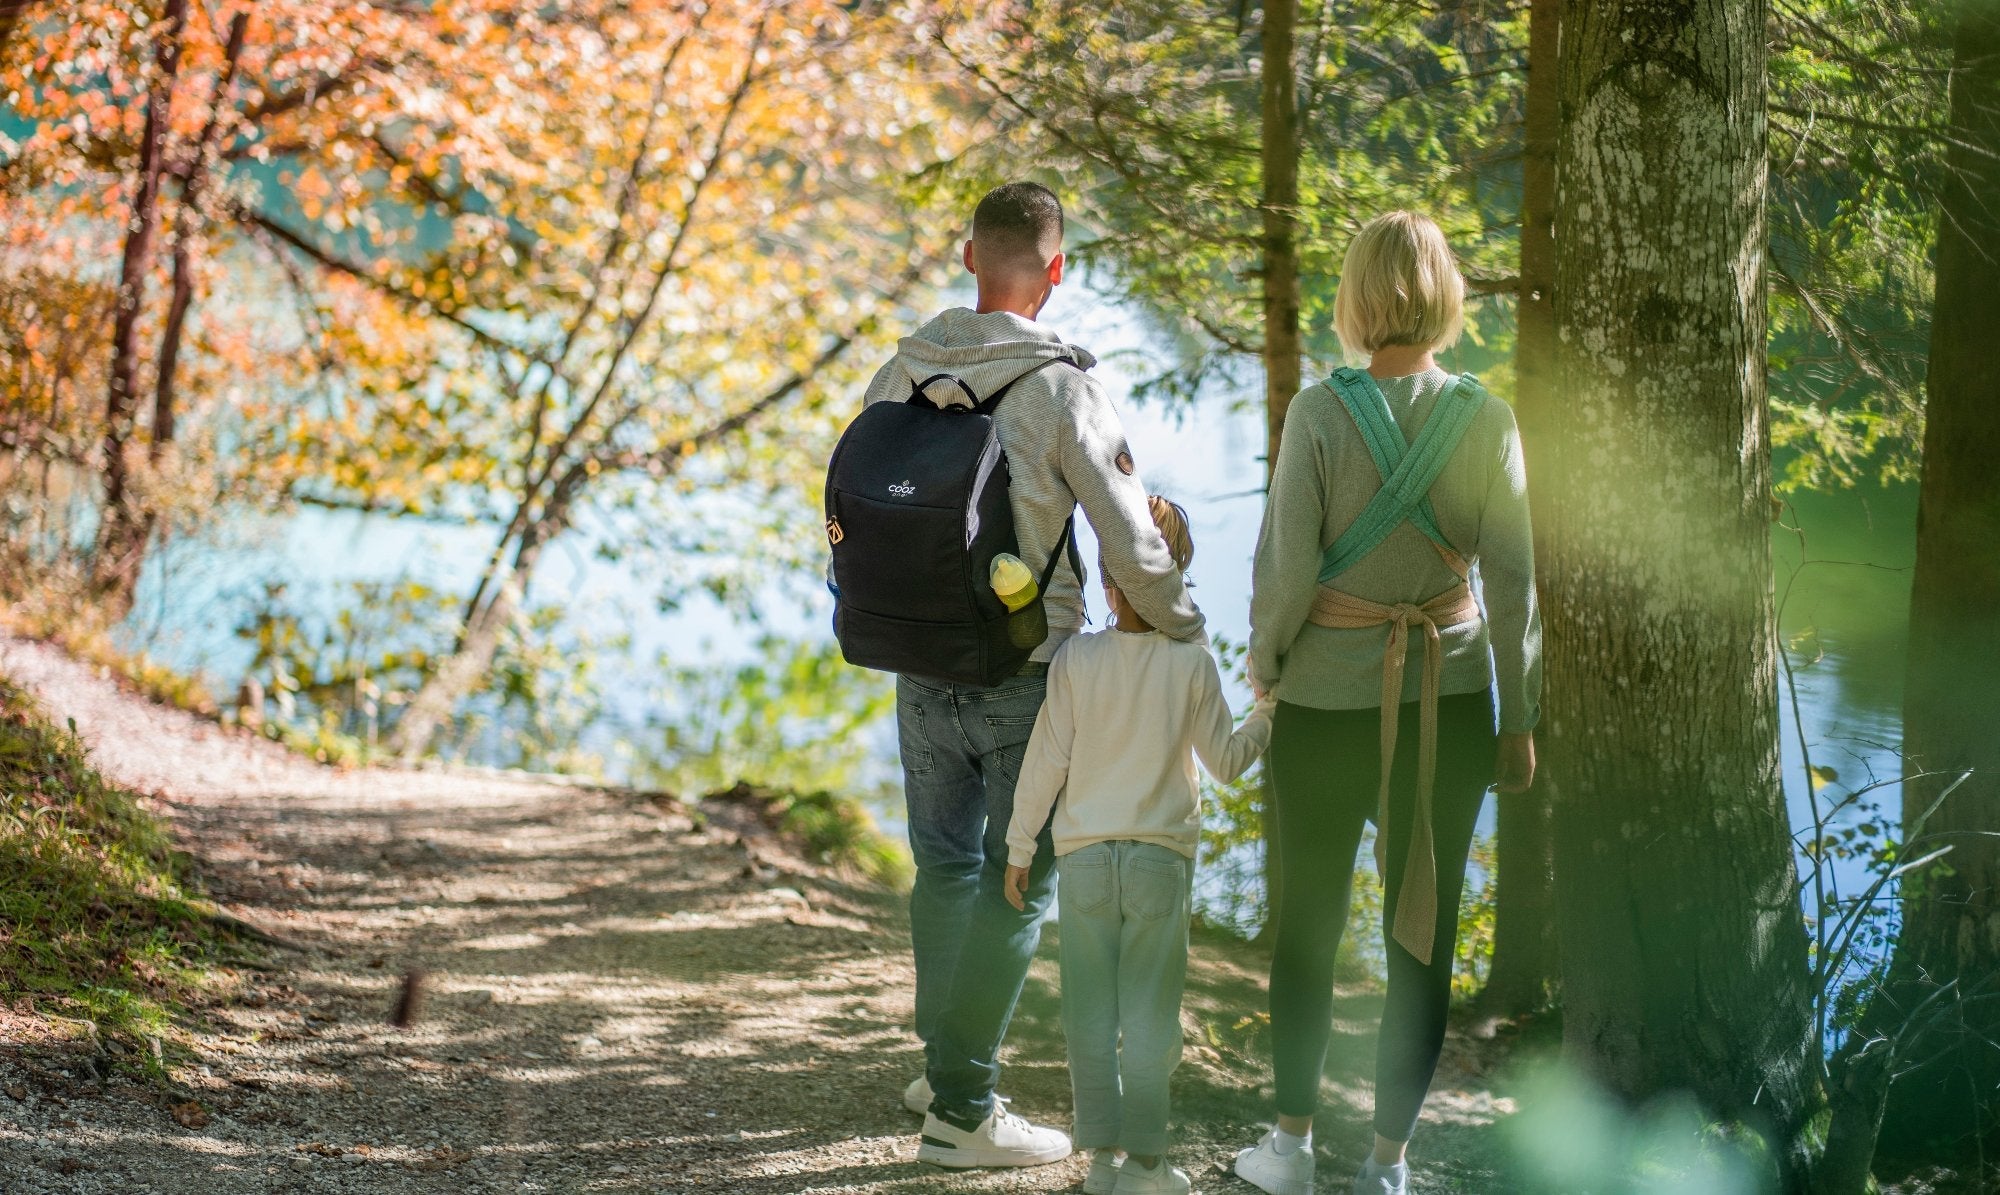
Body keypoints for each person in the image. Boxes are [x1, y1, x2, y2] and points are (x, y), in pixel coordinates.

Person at [865, 181, 1207, 1170]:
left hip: (917, 665)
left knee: (945, 871)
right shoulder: (1063, 390)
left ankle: (944, 1066)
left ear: (969, 257)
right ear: (1056, 272)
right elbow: (1131, 540)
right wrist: (1179, 633)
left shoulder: (899, 370)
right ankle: (962, 1112)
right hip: (1027, 677)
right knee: (1016, 887)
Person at [1232, 211, 1541, 1195]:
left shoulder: (1320, 414)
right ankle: (1387, 1166)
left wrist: (1265, 665)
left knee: (1308, 926)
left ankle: (1287, 1149)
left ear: (1356, 299)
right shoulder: (1486, 417)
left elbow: (1283, 569)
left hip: (1323, 706)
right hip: (1446, 705)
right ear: (1443, 295)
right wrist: (1516, 715)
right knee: (1424, 930)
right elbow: (1513, 583)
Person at [1000, 496, 1274, 1195]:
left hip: (1085, 858)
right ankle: (1148, 1166)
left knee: (1088, 1010)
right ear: (1176, 576)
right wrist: (1270, 709)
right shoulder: (1192, 662)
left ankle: (1100, 1163)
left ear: (1108, 581)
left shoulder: (1077, 658)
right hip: (1159, 860)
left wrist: (1020, 845)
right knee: (1152, 1014)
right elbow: (1229, 760)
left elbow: (1046, 760)